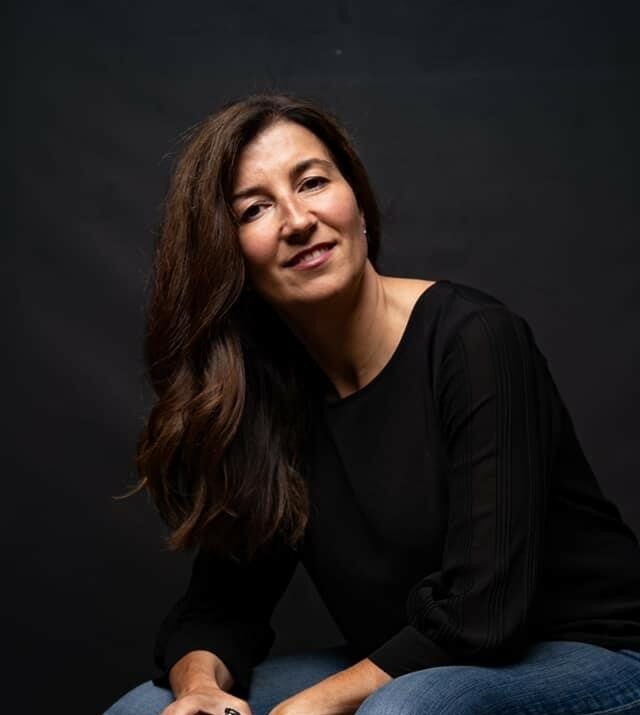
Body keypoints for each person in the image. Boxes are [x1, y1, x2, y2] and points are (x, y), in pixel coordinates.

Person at [105, 94, 640, 715]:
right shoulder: (271, 397)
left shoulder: (474, 340)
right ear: (228, 253)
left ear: (356, 197)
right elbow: (220, 608)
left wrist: (309, 706)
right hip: (416, 659)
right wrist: (202, 690)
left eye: (312, 182)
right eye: (255, 209)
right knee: (144, 710)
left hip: (593, 652)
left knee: (406, 707)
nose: (297, 219)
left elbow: (483, 610)